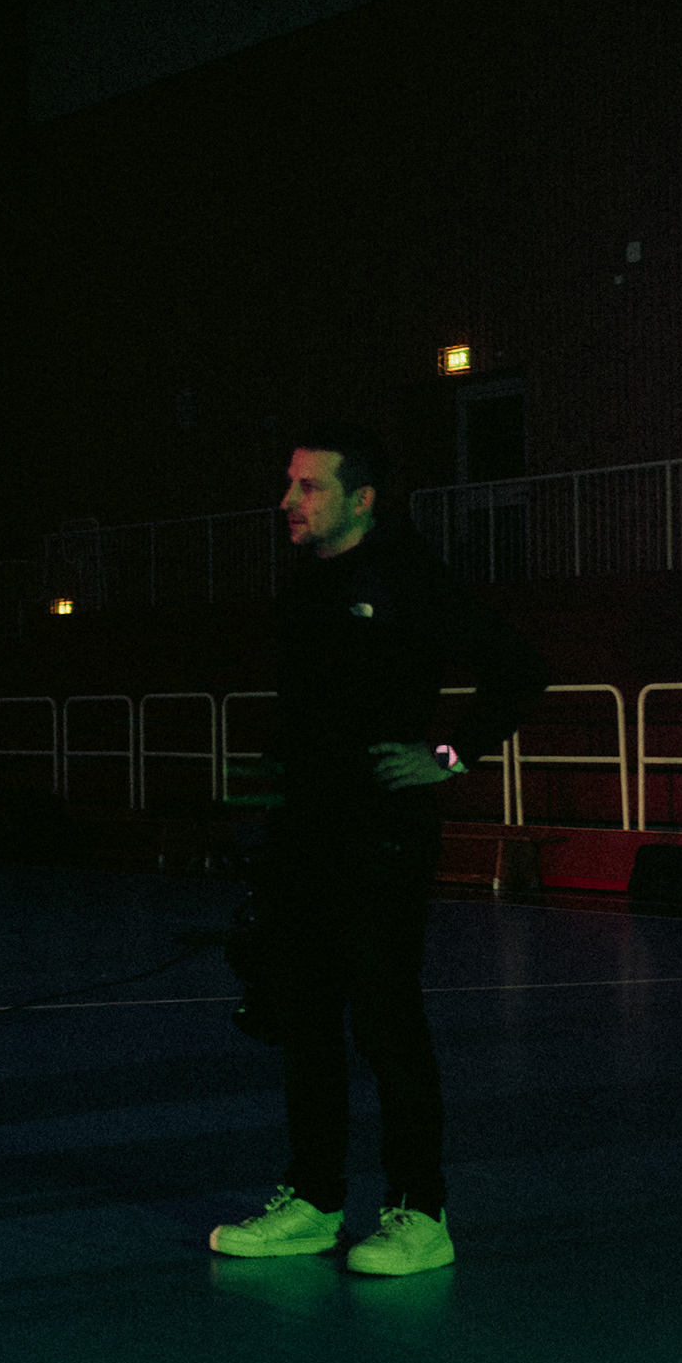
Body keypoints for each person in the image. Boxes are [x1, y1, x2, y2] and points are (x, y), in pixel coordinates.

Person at [207, 423, 547, 1278]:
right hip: (303, 834)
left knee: (387, 1021)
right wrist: (268, 798)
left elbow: (517, 667)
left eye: (309, 486)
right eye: (289, 483)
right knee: (306, 1020)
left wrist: (446, 755)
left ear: (361, 499)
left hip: (381, 834)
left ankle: (420, 1212)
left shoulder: (407, 576)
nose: (288, 501)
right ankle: (314, 1200)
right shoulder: (306, 586)